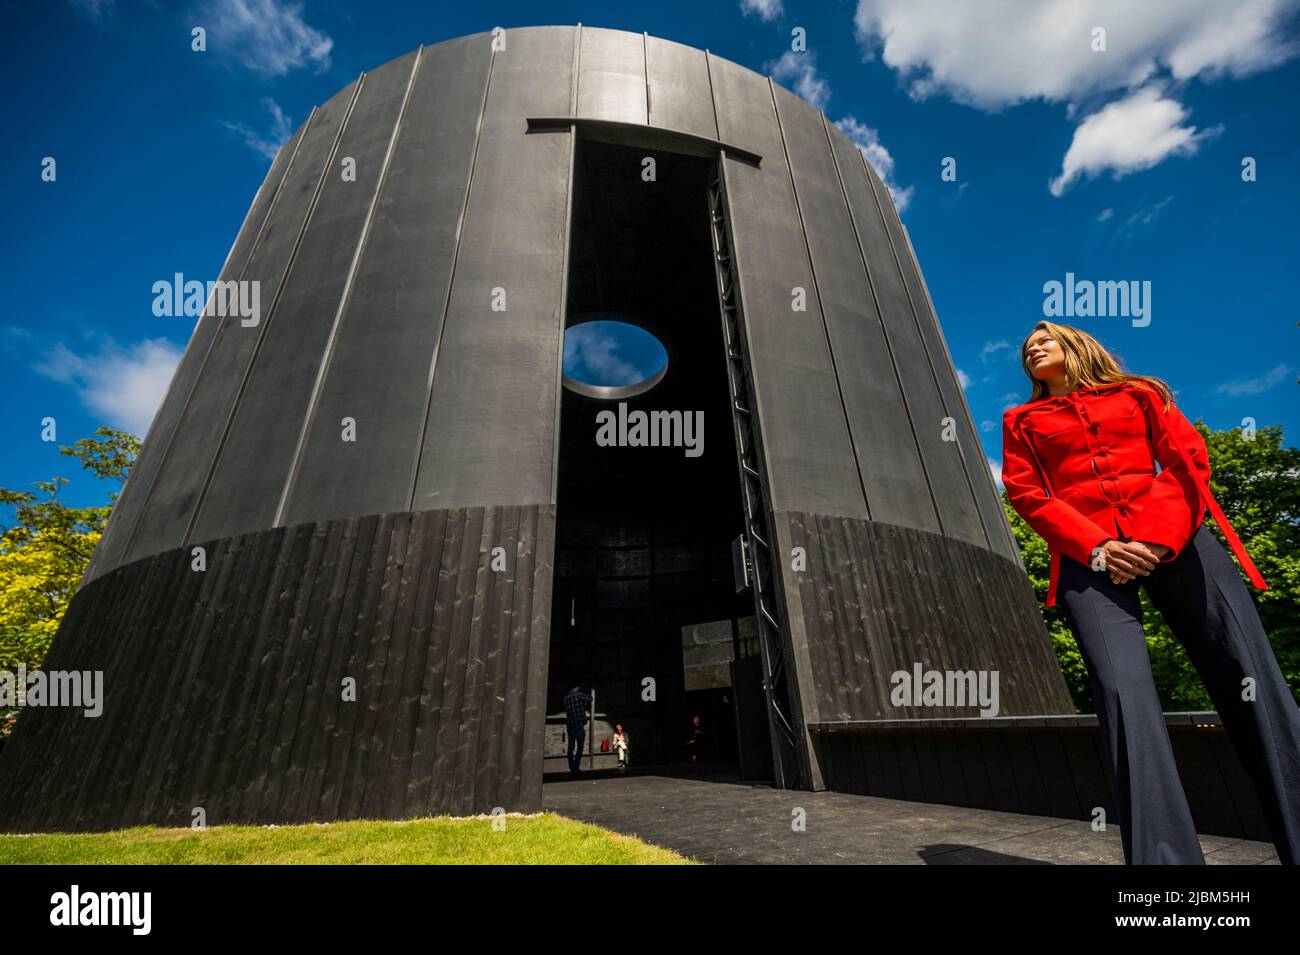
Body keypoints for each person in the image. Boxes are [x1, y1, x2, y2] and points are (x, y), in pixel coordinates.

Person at [1001, 320, 1300, 865]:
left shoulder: (1140, 393)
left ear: (1076, 347)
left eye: (1044, 340)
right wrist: (1097, 547)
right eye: (1027, 348)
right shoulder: (1020, 420)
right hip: (1087, 558)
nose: (1033, 348)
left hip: (1178, 539)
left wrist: (1156, 542)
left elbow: (1188, 461)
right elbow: (1025, 492)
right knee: (1121, 692)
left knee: (1249, 675)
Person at [562, 685, 592, 776]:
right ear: (574, 688)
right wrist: (582, 695)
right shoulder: (578, 695)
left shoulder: (565, 698)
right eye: (578, 688)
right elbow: (590, 698)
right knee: (580, 747)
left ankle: (572, 768)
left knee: (570, 748)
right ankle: (575, 767)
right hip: (578, 725)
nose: (579, 689)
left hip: (570, 725)